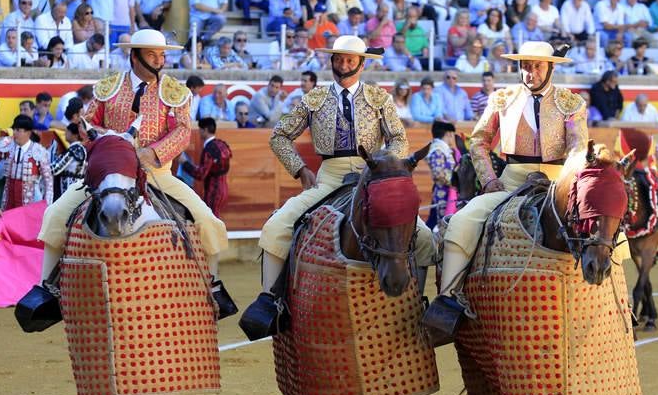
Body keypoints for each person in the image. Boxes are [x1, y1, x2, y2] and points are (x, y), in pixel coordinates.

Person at [424, 46, 588, 395]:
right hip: (511, 181)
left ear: (550, 67)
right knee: (459, 226)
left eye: (535, 65)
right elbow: (478, 141)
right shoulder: (501, 99)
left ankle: (610, 307)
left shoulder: (571, 101)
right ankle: (450, 300)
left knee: (608, 240)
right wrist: (491, 177)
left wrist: (565, 180)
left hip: (557, 184)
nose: (529, 71)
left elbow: (577, 147)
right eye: (523, 66)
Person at [35, 29, 231, 309]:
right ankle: (48, 290)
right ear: (135, 55)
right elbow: (86, 125)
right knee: (55, 214)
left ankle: (212, 286)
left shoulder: (175, 92)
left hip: (156, 174)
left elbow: (182, 133)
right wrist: (117, 147)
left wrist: (150, 153)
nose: (159, 60)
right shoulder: (108, 87)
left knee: (208, 221)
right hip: (108, 174)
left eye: (162, 54)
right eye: (152, 54)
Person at [254, 35, 436, 309]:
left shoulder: (379, 98)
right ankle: (270, 303)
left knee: (422, 238)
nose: (343, 64)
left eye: (349, 60)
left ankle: (417, 304)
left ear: (361, 64)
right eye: (338, 59)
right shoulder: (314, 99)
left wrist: (384, 165)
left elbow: (399, 138)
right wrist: (300, 169)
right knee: (276, 227)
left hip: (372, 179)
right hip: (329, 179)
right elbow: (279, 136)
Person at [0, 115, 53, 210]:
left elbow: (48, 182)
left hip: (30, 201)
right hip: (7, 200)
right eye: (14, 129)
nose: (14, 133)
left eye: (18, 130)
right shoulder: (7, 148)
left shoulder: (39, 151)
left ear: (28, 132)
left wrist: (47, 206)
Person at [178, 117, 232, 218]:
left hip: (213, 191)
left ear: (205, 130)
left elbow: (201, 174)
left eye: (200, 130)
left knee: (211, 219)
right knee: (215, 218)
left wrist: (185, 163)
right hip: (224, 189)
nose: (199, 132)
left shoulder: (209, 148)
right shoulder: (222, 144)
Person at [425, 120, 457, 231]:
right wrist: (456, 183)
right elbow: (438, 174)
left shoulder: (442, 149)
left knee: (433, 222)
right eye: (452, 135)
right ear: (449, 134)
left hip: (445, 191)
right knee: (442, 224)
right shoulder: (438, 150)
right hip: (443, 192)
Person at [50, 121, 87, 199]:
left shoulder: (75, 149)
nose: (65, 134)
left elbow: (56, 169)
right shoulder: (80, 148)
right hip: (75, 187)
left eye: (67, 132)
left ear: (75, 135)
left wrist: (43, 167)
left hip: (68, 188)